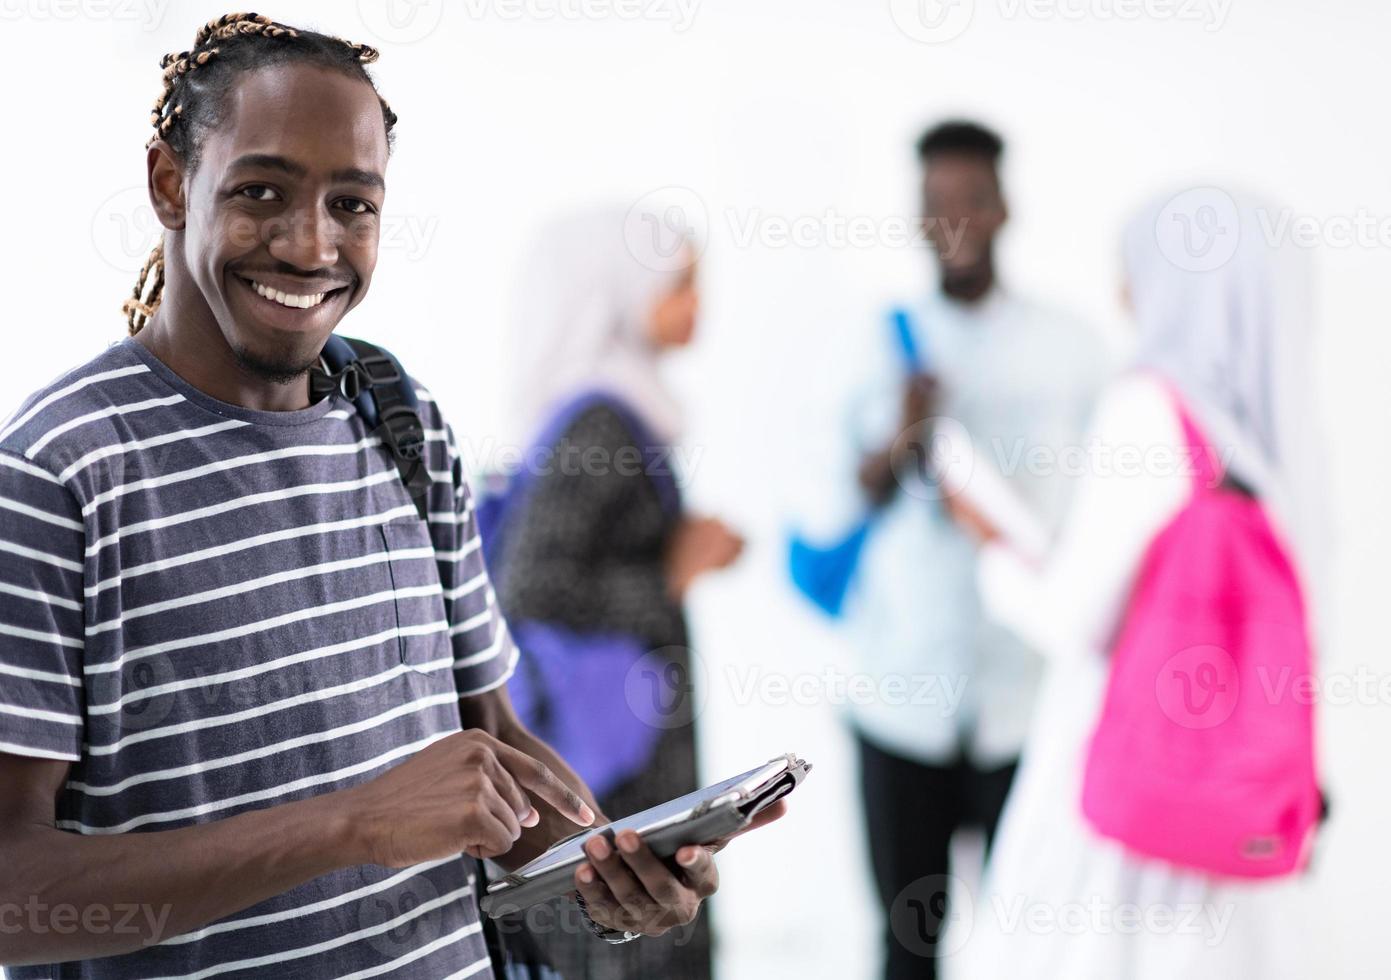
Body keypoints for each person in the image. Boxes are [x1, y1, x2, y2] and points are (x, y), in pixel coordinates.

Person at [0, 15, 780, 979]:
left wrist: (607, 869)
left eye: (353, 205)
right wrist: (354, 822)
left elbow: (491, 740)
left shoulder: (398, 419)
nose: (309, 245)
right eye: (260, 192)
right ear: (169, 182)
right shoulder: (54, 476)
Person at [951, 189, 1327, 978]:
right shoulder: (1276, 442)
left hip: (1125, 796)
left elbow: (1071, 617)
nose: (1122, 289)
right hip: (1235, 811)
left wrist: (993, 548)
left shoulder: (1149, 409)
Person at [834, 120, 1109, 980]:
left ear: (1003, 208)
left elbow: (1104, 508)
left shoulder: (1070, 347)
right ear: (917, 215)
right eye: (934, 205)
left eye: (970, 202)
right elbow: (833, 498)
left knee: (1031, 946)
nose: (953, 222)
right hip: (898, 698)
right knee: (905, 944)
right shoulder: (875, 345)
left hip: (1023, 701)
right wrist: (902, 434)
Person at [482, 209, 742, 980]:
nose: (700, 305)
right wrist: (668, 575)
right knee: (634, 925)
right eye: (681, 284)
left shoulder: (623, 408)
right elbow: (532, 583)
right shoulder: (603, 421)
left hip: (623, 742)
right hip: (619, 768)